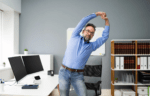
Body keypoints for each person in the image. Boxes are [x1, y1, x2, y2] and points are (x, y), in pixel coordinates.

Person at [58, 11, 110, 96]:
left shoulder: (92, 46)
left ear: (93, 35)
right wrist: (96, 14)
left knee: (83, 94)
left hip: (77, 75)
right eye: (88, 31)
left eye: (92, 32)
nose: (89, 33)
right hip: (64, 72)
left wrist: (106, 21)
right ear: (83, 31)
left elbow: (105, 37)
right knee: (64, 95)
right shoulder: (74, 36)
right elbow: (83, 21)